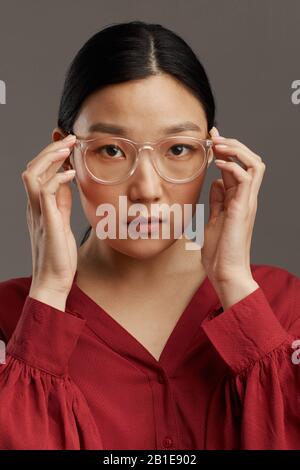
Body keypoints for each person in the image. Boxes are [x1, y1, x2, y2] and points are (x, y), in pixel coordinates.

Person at [0, 20, 299, 450]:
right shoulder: (11, 323)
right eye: (111, 150)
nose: (146, 190)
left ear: (213, 154)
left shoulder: (284, 309)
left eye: (177, 150)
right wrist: (48, 296)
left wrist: (235, 287)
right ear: (64, 157)